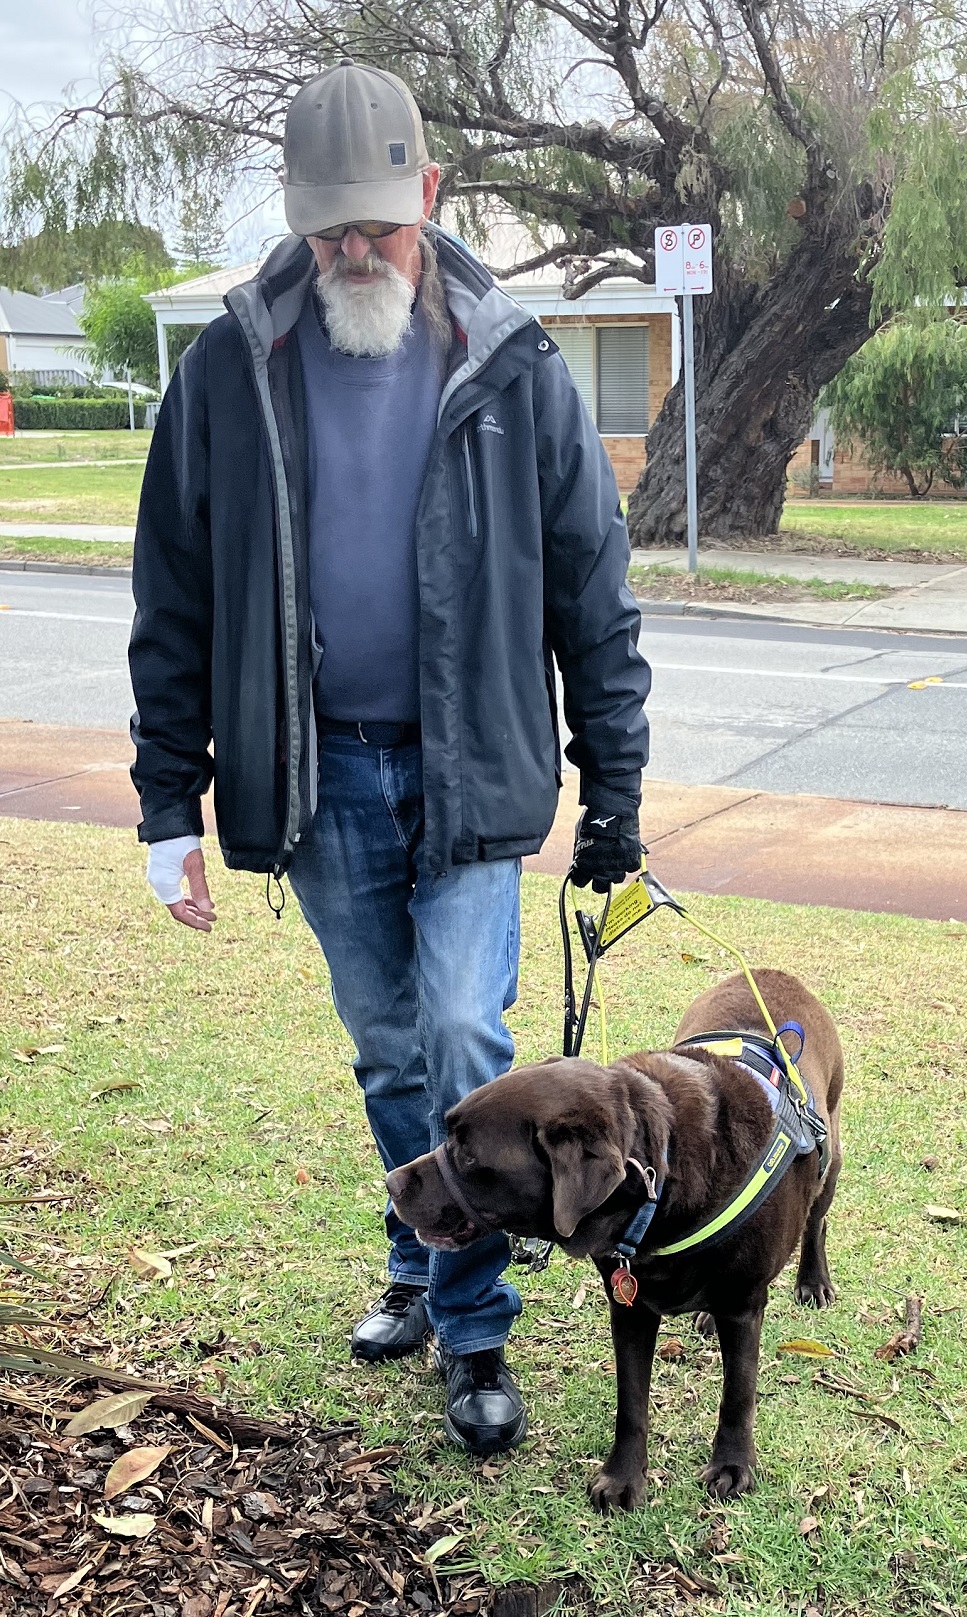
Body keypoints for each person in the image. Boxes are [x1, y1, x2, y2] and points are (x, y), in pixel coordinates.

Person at [131, 59, 651, 1457]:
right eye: (334, 227)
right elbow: (171, 594)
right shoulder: (229, 370)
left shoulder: (518, 363)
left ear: (428, 193)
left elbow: (594, 595)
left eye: (383, 220)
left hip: (475, 775)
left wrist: (619, 792)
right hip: (318, 782)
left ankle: (472, 1328)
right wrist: (164, 801)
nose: (360, 249)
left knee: (466, 1043)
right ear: (299, 219)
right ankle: (423, 1252)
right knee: (385, 1052)